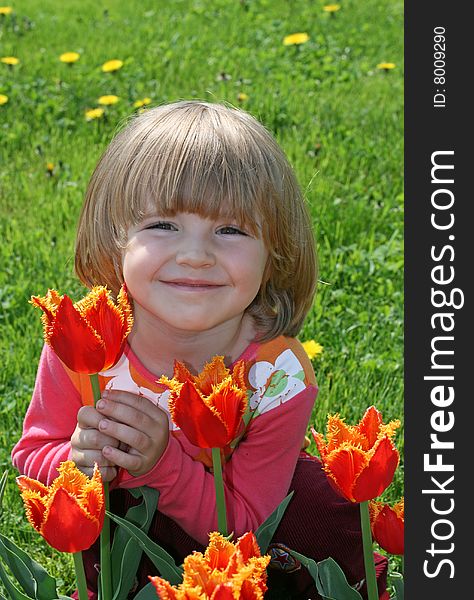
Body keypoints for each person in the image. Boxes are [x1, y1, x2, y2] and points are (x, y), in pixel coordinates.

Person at [12, 100, 388, 599]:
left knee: (316, 502)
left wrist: (163, 462)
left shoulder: (277, 373)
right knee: (120, 511)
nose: (195, 255)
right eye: (162, 226)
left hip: (247, 529)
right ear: (114, 238)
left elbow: (248, 521)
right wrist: (77, 461)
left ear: (275, 254)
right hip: (138, 531)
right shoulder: (84, 341)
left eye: (230, 230)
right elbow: (32, 453)